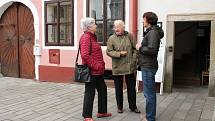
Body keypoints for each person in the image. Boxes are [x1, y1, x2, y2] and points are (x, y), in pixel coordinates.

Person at [80, 17, 112, 121]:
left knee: (103, 90)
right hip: (92, 71)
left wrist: (100, 66)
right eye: (94, 24)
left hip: (98, 72)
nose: (96, 25)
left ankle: (102, 112)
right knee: (90, 92)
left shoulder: (92, 37)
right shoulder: (86, 37)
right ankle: (87, 116)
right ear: (88, 27)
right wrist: (96, 65)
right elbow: (85, 55)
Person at [106, 20, 140, 114]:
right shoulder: (111, 38)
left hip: (130, 66)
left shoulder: (129, 36)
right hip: (117, 66)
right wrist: (119, 54)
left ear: (123, 28)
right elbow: (108, 51)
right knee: (118, 88)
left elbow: (135, 49)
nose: (116, 29)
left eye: (118, 27)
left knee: (131, 88)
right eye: (115, 27)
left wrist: (133, 60)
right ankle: (119, 107)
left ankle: (133, 106)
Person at [136, 12, 164, 121]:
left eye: (143, 19)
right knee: (149, 93)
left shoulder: (153, 33)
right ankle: (149, 115)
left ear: (148, 20)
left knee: (149, 94)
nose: (142, 21)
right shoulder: (153, 31)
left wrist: (140, 47)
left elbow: (152, 50)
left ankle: (150, 118)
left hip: (148, 66)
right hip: (147, 65)